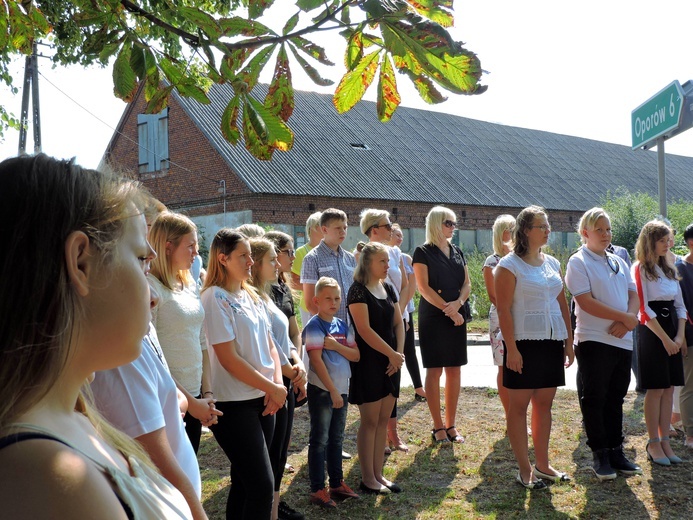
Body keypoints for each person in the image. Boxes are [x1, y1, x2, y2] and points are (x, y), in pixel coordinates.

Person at [0, 154, 192, 518]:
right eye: (140, 260)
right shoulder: (47, 472)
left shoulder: (73, 418)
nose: (152, 295)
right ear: (81, 263)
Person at [91, 282, 214, 519]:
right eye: (141, 263)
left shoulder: (143, 329)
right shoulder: (121, 352)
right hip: (163, 506)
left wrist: (179, 400)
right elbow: (156, 461)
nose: (154, 296)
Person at [201, 229, 287, 519]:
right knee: (262, 486)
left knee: (244, 483)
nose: (251, 261)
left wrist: (277, 385)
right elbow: (228, 359)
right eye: (244, 255)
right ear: (222, 259)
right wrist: (272, 388)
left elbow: (270, 346)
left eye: (251, 255)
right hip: (234, 404)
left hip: (265, 399)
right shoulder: (214, 298)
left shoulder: (251, 295)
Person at [495, 205, 574, 489]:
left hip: (551, 342)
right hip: (523, 345)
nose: (548, 230)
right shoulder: (508, 265)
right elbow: (503, 310)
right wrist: (512, 349)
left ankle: (543, 465)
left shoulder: (553, 263)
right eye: (542, 225)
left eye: (548, 225)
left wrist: (568, 341)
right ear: (526, 231)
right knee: (518, 408)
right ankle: (524, 469)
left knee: (545, 405)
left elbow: (561, 302)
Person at [565, 208, 642, 480]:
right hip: (594, 340)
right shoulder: (578, 261)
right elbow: (585, 302)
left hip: (622, 341)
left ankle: (616, 451)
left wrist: (629, 319)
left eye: (608, 229)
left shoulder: (618, 261)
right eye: (600, 229)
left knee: (616, 397)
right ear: (585, 232)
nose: (606, 234)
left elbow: (633, 294)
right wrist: (625, 317)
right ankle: (600, 454)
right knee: (595, 397)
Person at [247, 237, 307, 520]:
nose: (279, 263)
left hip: (285, 379)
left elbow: (288, 338)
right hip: (269, 384)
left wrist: (298, 365)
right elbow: (263, 347)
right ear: (256, 264)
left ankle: (273, 508)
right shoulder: (251, 298)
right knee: (266, 456)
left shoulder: (277, 291)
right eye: (272, 259)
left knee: (280, 451)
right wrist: (290, 372)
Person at [148, 212, 214, 453]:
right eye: (191, 246)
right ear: (168, 247)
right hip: (167, 401)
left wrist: (206, 395)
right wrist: (192, 402)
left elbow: (201, 340)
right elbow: (152, 356)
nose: (196, 252)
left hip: (196, 396)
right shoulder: (151, 289)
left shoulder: (190, 284)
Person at [348, 242, 405, 495]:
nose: (387, 265)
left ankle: (379, 475)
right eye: (382, 261)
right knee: (369, 421)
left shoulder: (388, 287)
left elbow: (398, 324)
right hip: (370, 363)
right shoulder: (357, 291)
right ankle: (367, 478)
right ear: (368, 263)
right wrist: (391, 354)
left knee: (383, 420)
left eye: (388, 261)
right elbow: (364, 330)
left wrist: (398, 356)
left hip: (392, 363)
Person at [412, 206, 470, 444]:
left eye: (454, 223)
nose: (452, 227)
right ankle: (438, 426)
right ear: (436, 223)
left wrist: (458, 304)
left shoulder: (457, 251)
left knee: (455, 369)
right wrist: (449, 309)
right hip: (434, 317)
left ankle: (451, 424)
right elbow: (423, 288)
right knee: (434, 370)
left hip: (457, 314)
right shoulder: (422, 252)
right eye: (448, 223)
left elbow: (467, 284)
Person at [303, 277, 361, 508]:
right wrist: (333, 392)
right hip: (323, 391)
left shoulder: (341, 326)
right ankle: (318, 488)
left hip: (341, 391)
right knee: (320, 440)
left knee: (337, 438)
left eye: (337, 298)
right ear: (316, 300)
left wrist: (337, 346)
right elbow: (316, 362)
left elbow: (356, 355)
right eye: (328, 298)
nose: (334, 302)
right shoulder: (314, 326)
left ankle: (337, 483)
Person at [632, 220, 686, 466]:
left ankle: (665, 440)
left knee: (669, 388)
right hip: (652, 332)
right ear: (651, 241)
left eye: (669, 240)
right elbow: (642, 309)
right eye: (663, 240)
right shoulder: (641, 268)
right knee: (655, 389)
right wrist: (665, 339)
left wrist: (679, 336)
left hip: (673, 331)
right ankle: (653, 442)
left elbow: (680, 305)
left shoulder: (670, 268)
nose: (668, 244)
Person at [360, 208, 411, 452]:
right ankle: (382, 436)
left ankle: (392, 432)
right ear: (374, 229)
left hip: (397, 318)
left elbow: (407, 286)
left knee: (394, 379)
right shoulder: (363, 254)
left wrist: (397, 314)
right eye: (387, 225)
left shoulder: (396, 253)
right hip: (377, 322)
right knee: (379, 383)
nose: (391, 229)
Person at [387, 223, 426, 402]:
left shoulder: (405, 258)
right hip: (390, 310)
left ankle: (418, 387)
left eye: (402, 235)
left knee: (409, 349)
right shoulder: (383, 256)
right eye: (396, 234)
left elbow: (411, 287)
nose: (400, 238)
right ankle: (391, 391)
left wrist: (402, 312)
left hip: (405, 309)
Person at [482, 214, 515, 416]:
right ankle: (510, 414)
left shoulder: (522, 259)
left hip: (522, 318)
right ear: (500, 233)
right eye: (511, 229)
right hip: (500, 319)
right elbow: (494, 296)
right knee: (503, 368)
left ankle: (519, 414)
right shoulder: (492, 261)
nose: (515, 233)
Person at [301, 208, 356, 324]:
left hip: (350, 328)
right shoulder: (312, 259)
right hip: (326, 330)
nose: (343, 232)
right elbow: (310, 303)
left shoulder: (350, 259)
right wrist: (328, 327)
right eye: (338, 228)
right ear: (324, 229)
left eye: (345, 228)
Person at [675, 223, 693, 450]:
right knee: (690, 386)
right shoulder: (680, 269)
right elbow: (682, 306)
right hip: (690, 335)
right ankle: (690, 433)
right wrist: (684, 338)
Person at [291, 212, 322, 326]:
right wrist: (315, 287)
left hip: (328, 303)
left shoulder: (331, 250)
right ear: (312, 228)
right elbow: (294, 282)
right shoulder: (301, 252)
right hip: (308, 305)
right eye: (321, 226)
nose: (325, 229)